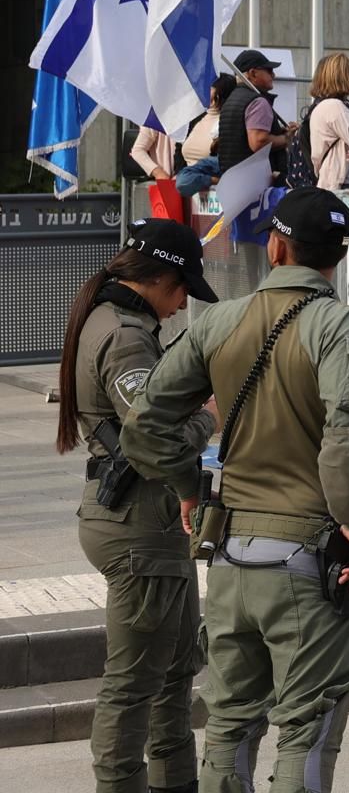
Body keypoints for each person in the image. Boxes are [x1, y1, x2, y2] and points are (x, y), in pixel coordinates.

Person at [121, 190, 349, 793]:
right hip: (308, 561)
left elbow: (146, 425)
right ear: (339, 258)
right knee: (305, 731)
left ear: (276, 245)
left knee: (229, 726)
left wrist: (190, 487)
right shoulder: (340, 327)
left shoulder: (215, 320)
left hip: (232, 557)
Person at [55, 220, 220, 793]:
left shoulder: (108, 316)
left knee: (174, 675)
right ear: (159, 279)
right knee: (133, 687)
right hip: (137, 530)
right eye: (182, 292)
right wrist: (209, 417)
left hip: (143, 525)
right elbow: (153, 434)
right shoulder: (125, 334)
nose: (180, 308)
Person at [218, 49, 293, 181]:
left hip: (232, 180)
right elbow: (258, 141)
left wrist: (278, 132)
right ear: (253, 73)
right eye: (269, 70)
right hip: (255, 183)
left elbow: (239, 136)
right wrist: (287, 138)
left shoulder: (230, 100)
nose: (273, 75)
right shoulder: (258, 102)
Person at [303, 52, 349, 193]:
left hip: (345, 183)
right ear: (342, 76)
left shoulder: (338, 105)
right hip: (344, 186)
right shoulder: (333, 106)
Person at [174, 74, 236, 201]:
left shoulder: (227, 120)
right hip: (189, 191)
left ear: (220, 93)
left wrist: (212, 181)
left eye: (210, 88)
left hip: (215, 196)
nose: (203, 91)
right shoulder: (195, 119)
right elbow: (179, 150)